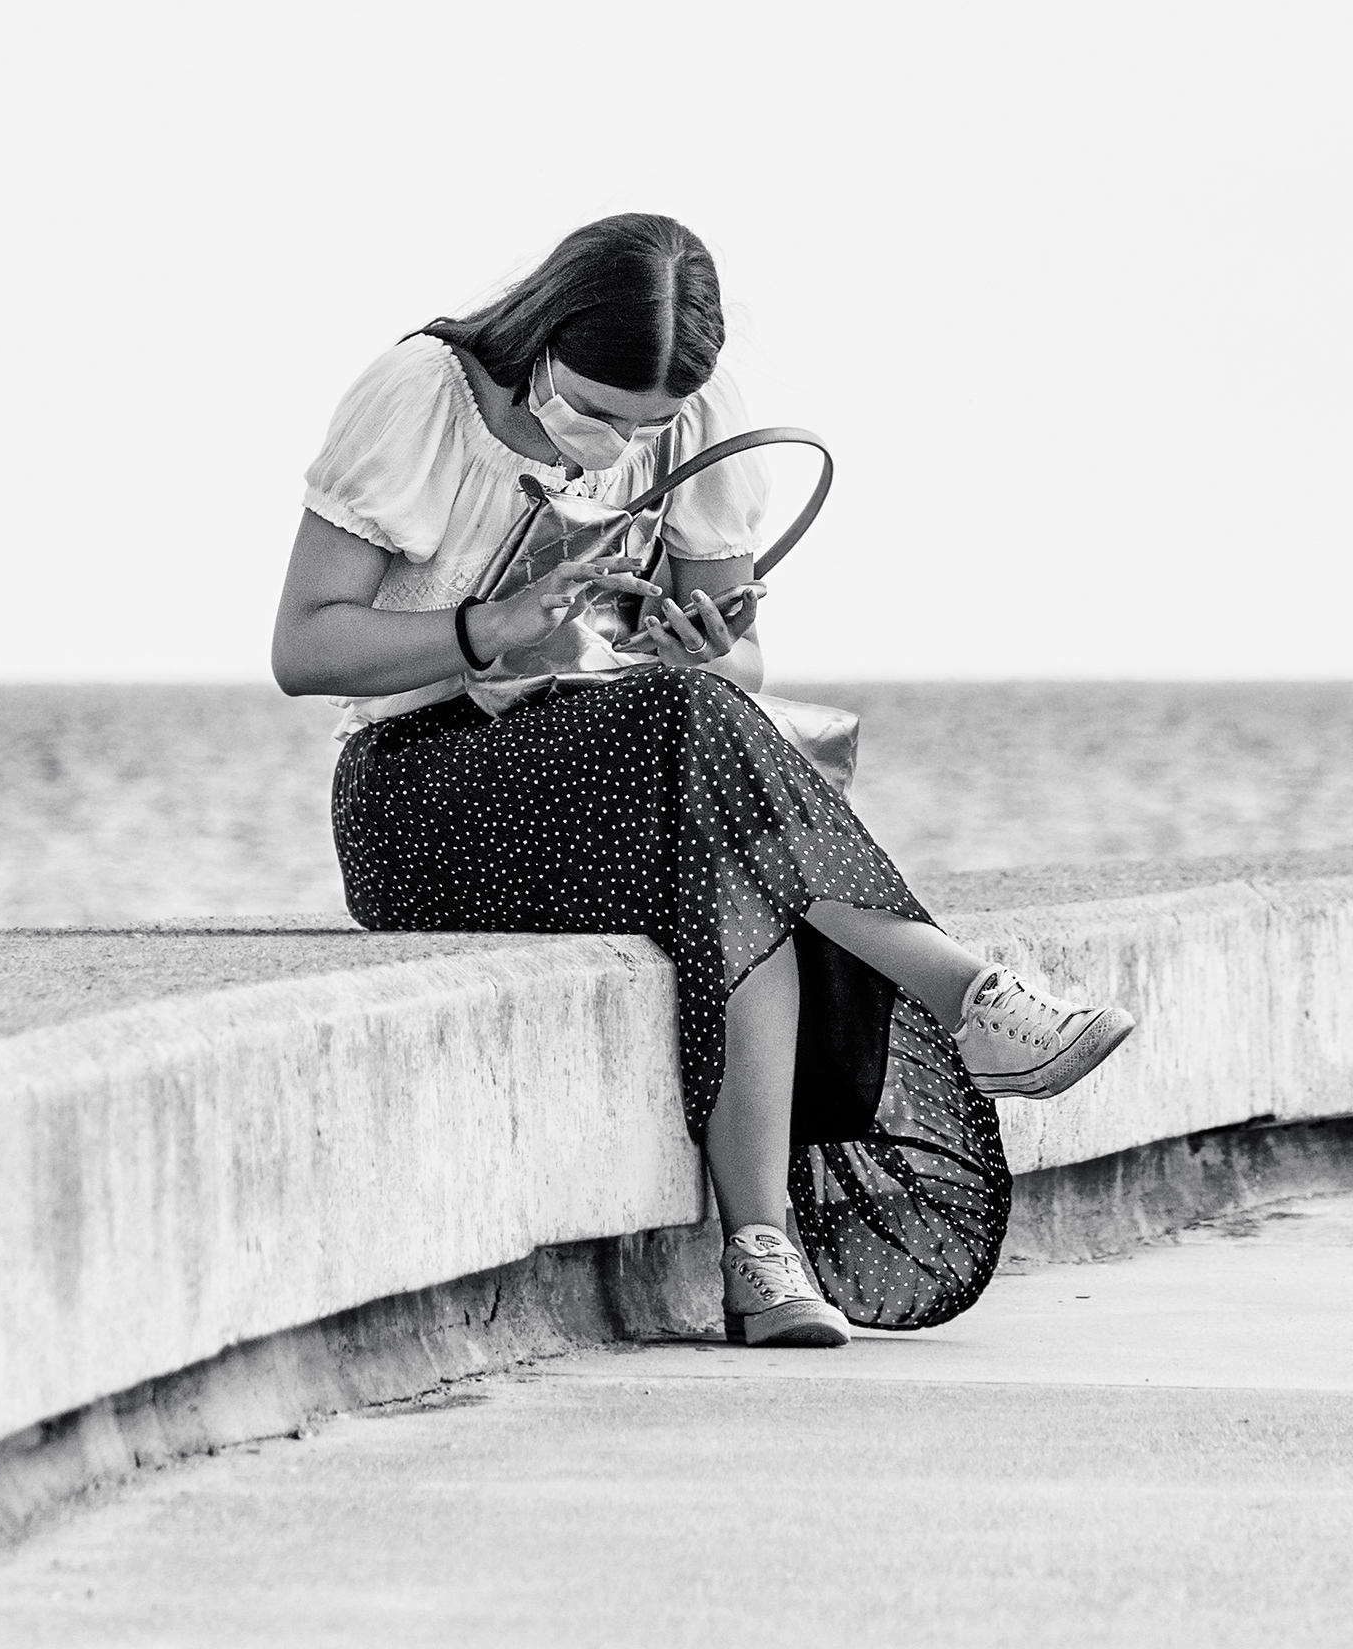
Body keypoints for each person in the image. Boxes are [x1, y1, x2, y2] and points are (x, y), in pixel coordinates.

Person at [271, 212, 1137, 1349]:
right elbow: (304, 648)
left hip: (626, 771)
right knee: (699, 747)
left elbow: (741, 665)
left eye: (650, 424)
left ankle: (762, 1259)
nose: (617, 441)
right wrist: (491, 629)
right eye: (593, 410)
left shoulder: (700, 421)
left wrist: (699, 645)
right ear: (542, 337)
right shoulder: (421, 397)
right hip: (422, 788)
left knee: (717, 804)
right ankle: (960, 993)